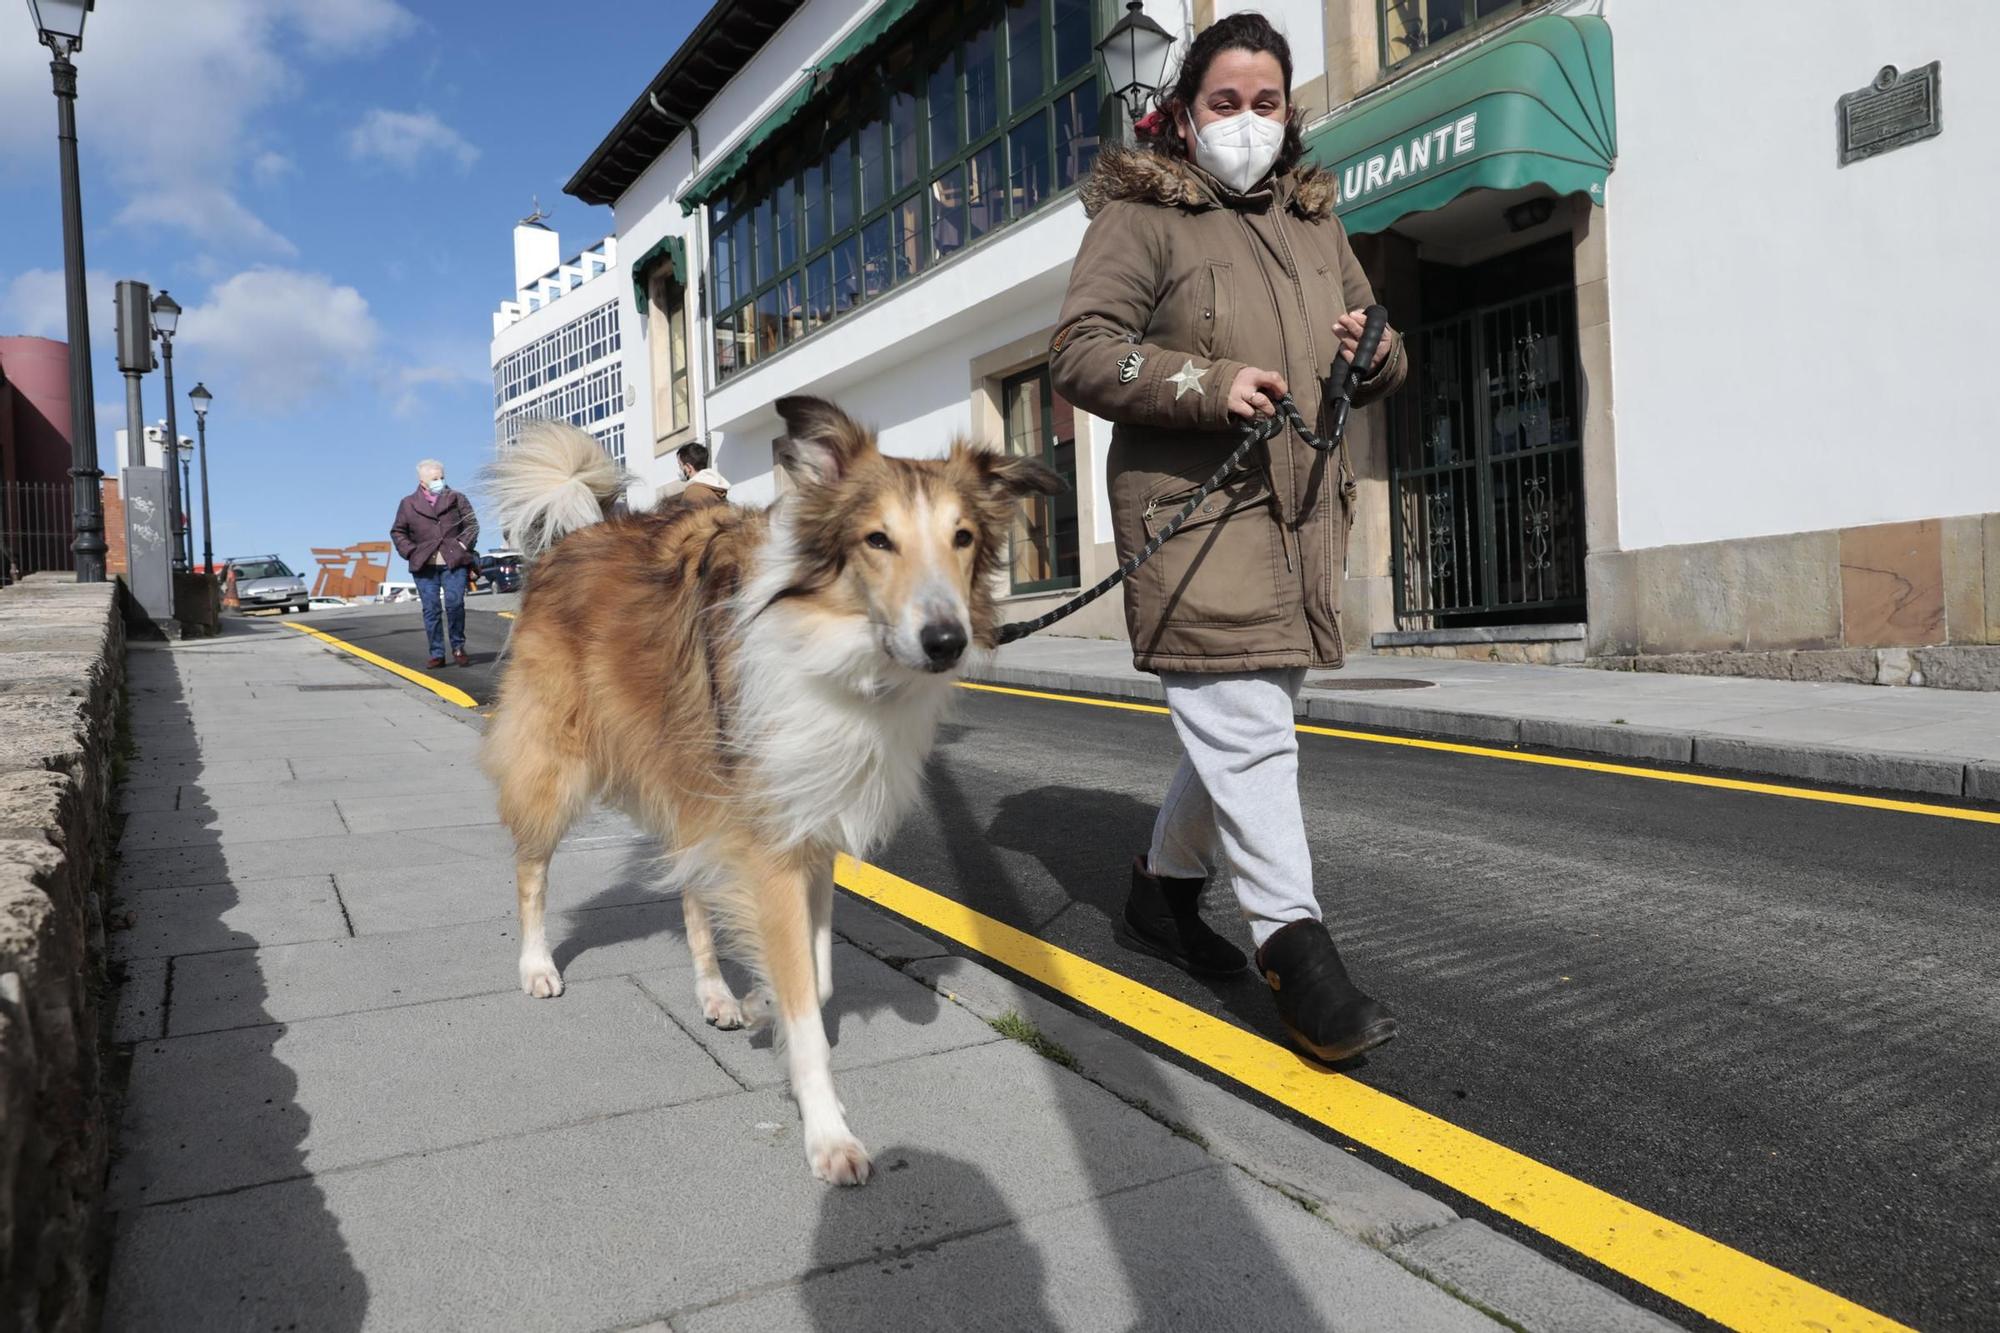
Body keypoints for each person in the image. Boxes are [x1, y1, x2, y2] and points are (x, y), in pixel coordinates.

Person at [1049, 11, 1408, 1066]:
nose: (1247, 122)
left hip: (1299, 516)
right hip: (1195, 519)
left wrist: (1374, 348)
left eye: (1265, 103)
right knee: (1249, 730)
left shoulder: (1312, 222)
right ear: (1183, 111)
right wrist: (1208, 383)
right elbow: (1078, 353)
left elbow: (1374, 343)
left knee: (1242, 726)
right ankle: (1295, 952)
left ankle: (1160, 894)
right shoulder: (1141, 214)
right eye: (1223, 102)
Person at [390, 458, 479, 668]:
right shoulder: (408, 503)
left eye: (441, 477)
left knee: (455, 604)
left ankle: (458, 647)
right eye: (434, 479)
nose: (439, 481)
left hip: (454, 561)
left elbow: (471, 524)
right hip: (424, 566)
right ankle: (437, 653)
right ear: (422, 482)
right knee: (431, 609)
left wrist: (463, 546)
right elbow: (398, 531)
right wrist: (411, 552)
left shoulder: (457, 498)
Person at [657, 441, 730, 506]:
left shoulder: (693, 493)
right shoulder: (718, 491)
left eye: (680, 465)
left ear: (688, 467)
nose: (680, 470)